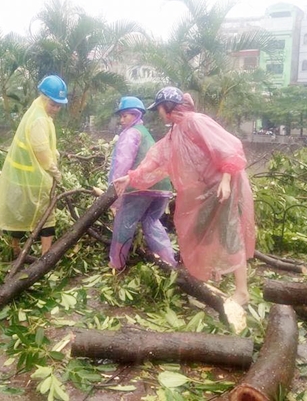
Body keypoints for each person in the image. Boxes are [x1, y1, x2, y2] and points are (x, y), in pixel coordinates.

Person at [113, 87, 255, 306]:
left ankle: (242, 291)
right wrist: (130, 178)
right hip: (205, 192)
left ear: (167, 107)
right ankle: (208, 284)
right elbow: (156, 160)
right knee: (203, 236)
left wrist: (226, 180)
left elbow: (229, 147)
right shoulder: (176, 131)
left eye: (160, 108)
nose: (159, 113)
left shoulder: (196, 121)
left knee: (228, 235)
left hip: (220, 187)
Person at [0, 75, 67, 256]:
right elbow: (41, 151)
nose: (56, 108)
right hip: (36, 177)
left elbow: (41, 144)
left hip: (23, 175)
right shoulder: (39, 118)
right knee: (47, 217)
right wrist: (56, 172)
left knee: (21, 213)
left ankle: (14, 249)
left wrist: (55, 153)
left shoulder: (37, 112)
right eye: (53, 104)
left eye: (59, 105)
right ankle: (46, 256)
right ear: (44, 98)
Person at [108, 96, 177, 270]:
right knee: (151, 221)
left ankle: (116, 264)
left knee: (124, 222)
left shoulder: (131, 134)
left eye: (126, 116)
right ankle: (169, 262)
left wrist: (115, 197)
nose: (122, 120)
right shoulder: (144, 133)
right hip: (162, 187)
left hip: (140, 187)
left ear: (136, 115)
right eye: (121, 116)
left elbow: (122, 164)